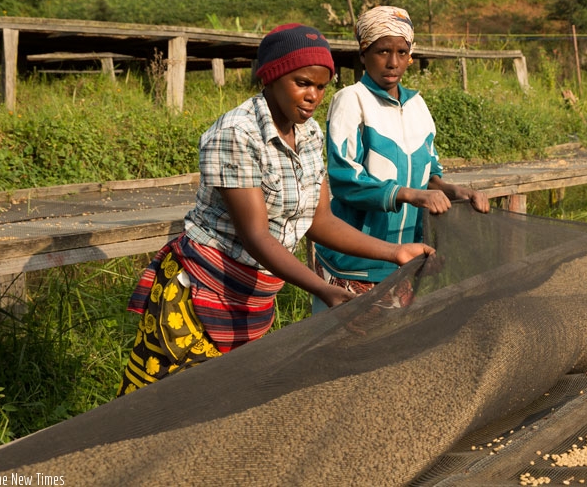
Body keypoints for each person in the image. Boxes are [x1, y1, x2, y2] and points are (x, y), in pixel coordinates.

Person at [117, 23, 434, 396]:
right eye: (302, 83)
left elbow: (320, 221)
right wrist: (325, 289)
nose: (312, 96)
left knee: (231, 404)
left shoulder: (310, 135)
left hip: (254, 297)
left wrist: (396, 252)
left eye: (320, 86)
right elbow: (255, 235)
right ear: (272, 77)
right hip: (201, 290)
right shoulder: (238, 133)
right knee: (167, 404)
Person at [312, 6, 489, 314]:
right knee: (346, 352)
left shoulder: (418, 106)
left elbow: (429, 176)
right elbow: (344, 181)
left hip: (401, 258)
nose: (393, 62)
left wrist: (456, 192)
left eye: (401, 52)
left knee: (390, 350)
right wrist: (410, 194)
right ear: (363, 53)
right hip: (354, 264)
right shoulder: (351, 101)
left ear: (410, 55)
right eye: (382, 51)